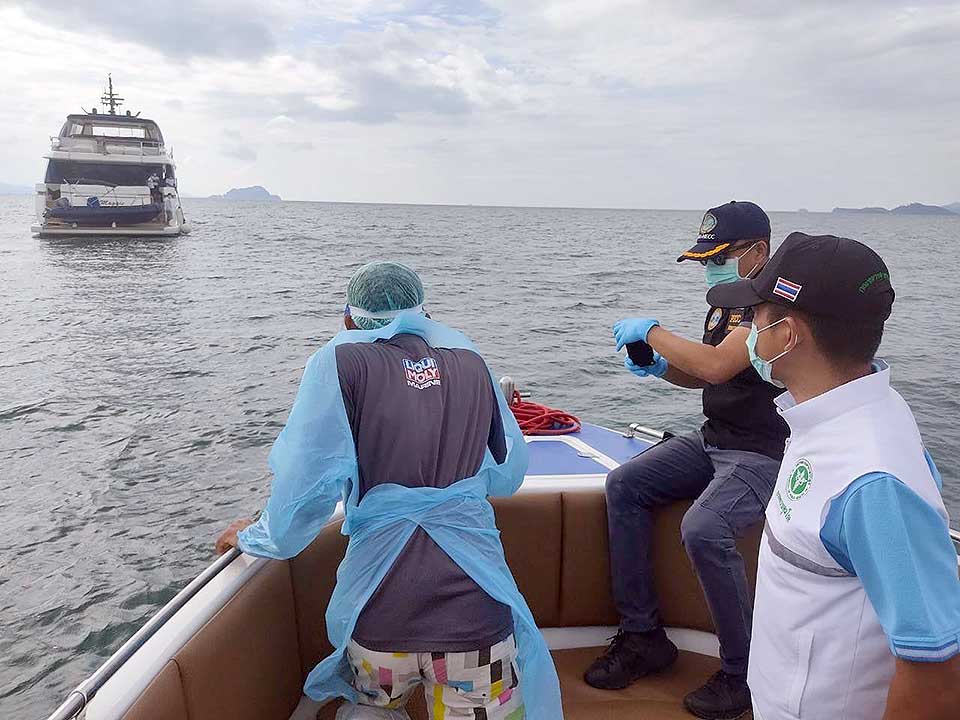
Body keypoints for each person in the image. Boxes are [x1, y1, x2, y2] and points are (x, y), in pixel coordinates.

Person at [215, 261, 561, 720]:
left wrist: (251, 536)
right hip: (477, 621)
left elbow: (302, 494)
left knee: (373, 711)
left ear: (348, 320)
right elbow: (506, 474)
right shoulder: (471, 362)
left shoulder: (339, 363)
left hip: (380, 622)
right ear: (425, 315)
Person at [707, 232, 960, 719]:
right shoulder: (841, 412)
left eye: (755, 316)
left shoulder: (873, 480)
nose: (748, 330)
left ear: (786, 334)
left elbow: (936, 672)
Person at [584, 201, 789, 719]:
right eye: (705, 261)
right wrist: (659, 368)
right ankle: (643, 637)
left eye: (720, 257)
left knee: (704, 528)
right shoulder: (725, 307)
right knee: (625, 485)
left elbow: (718, 365)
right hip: (715, 438)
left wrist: (653, 332)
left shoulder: (773, 310)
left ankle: (745, 673)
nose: (711, 268)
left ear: (759, 252)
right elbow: (704, 376)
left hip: (761, 451)